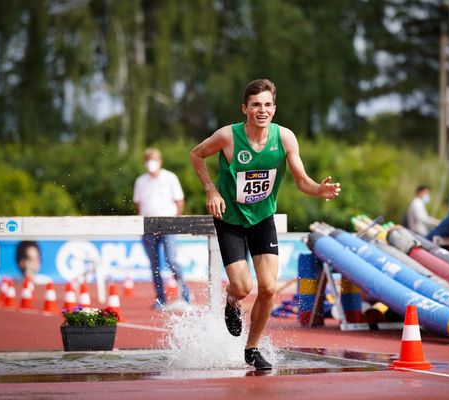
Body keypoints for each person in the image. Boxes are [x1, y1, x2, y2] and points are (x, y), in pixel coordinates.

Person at [190, 79, 341, 370]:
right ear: (245, 108)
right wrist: (211, 189)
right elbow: (196, 154)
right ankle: (232, 303)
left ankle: (252, 348)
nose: (262, 110)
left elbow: (302, 181)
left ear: (274, 109)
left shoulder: (285, 138)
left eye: (268, 105)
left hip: (262, 219)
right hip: (230, 220)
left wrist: (318, 190)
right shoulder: (228, 136)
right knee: (242, 287)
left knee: (269, 288)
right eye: (256, 105)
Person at [133, 147, 191, 309]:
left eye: (155, 159)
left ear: (160, 161)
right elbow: (139, 204)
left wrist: (175, 222)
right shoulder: (140, 181)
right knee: (154, 265)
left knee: (172, 260)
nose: (152, 163)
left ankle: (185, 293)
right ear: (145, 162)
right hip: (148, 226)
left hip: (168, 224)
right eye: (149, 159)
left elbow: (179, 201)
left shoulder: (170, 178)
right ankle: (160, 298)